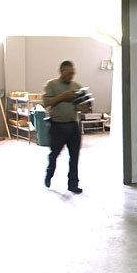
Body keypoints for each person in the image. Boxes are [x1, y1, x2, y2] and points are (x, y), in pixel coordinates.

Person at [43, 60, 87, 194]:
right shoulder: (51, 85)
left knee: (74, 156)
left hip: (73, 126)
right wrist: (63, 96)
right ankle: (49, 174)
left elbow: (81, 106)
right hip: (57, 126)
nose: (71, 76)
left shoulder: (76, 86)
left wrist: (86, 105)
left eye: (73, 73)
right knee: (54, 154)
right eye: (68, 73)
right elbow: (46, 102)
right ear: (61, 72)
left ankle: (73, 184)